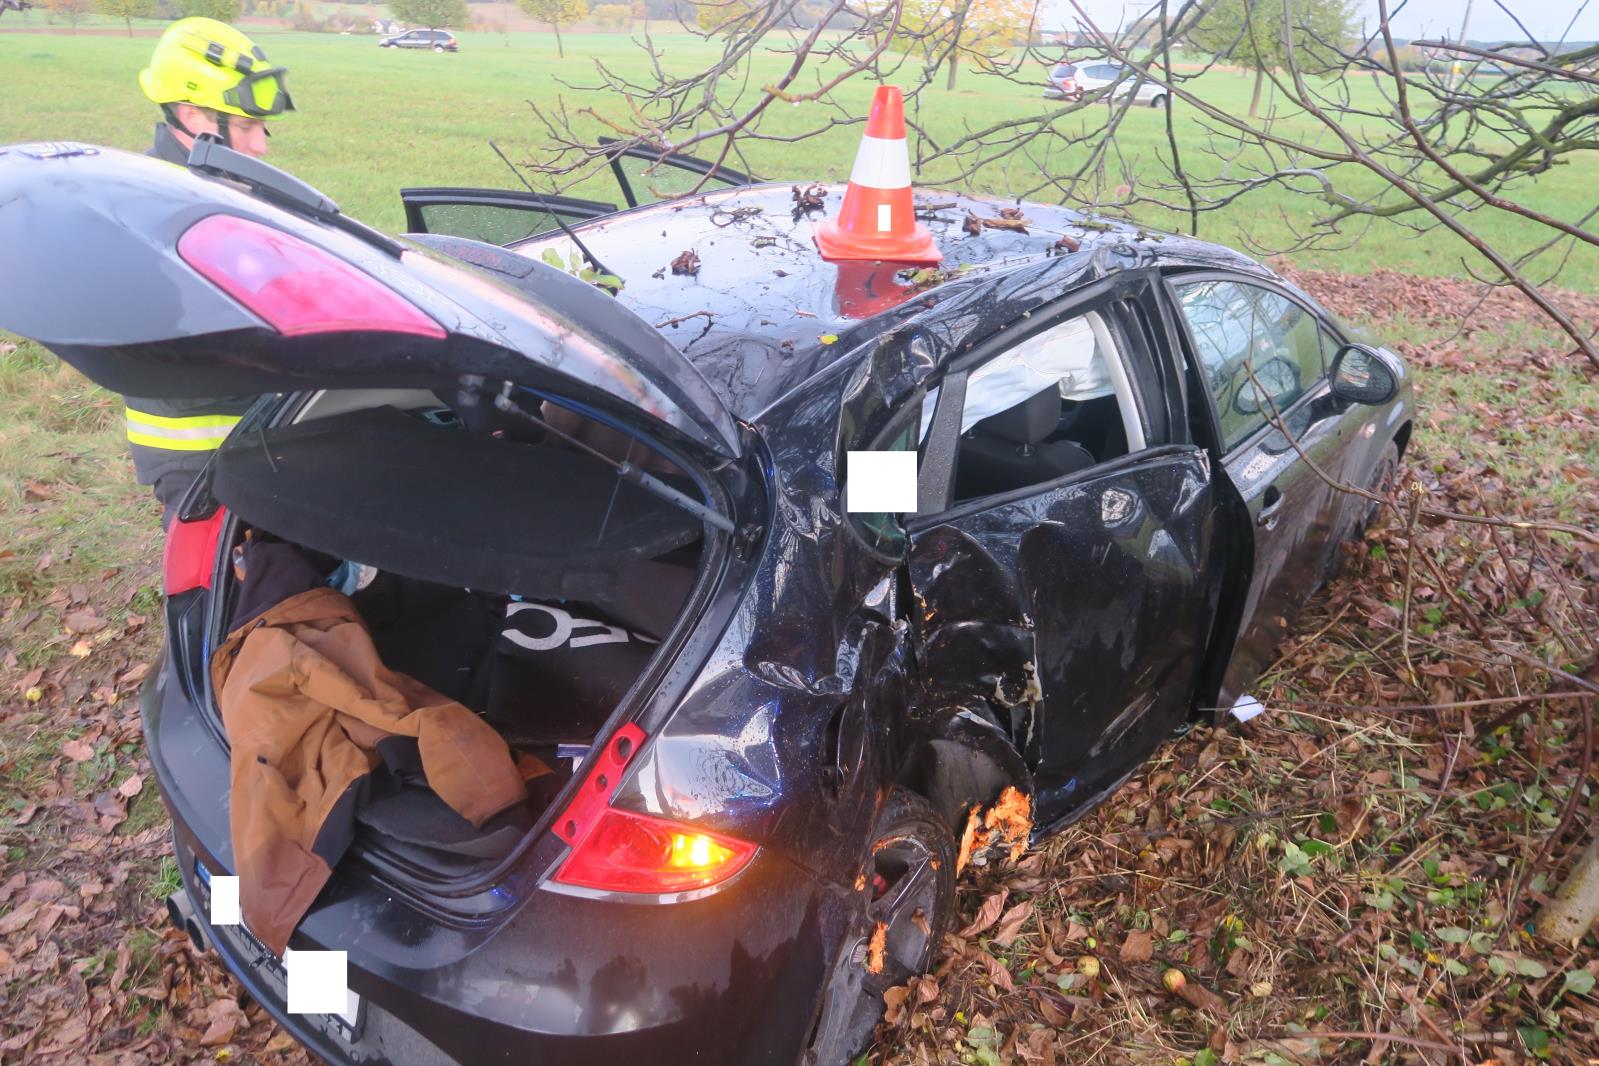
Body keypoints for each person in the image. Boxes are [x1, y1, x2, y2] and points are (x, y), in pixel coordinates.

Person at [129, 17, 295, 519]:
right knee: (220, 585)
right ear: (191, 114)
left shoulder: (222, 182)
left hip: (260, 430)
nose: (261, 145)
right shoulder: (153, 206)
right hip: (199, 450)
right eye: (245, 126)